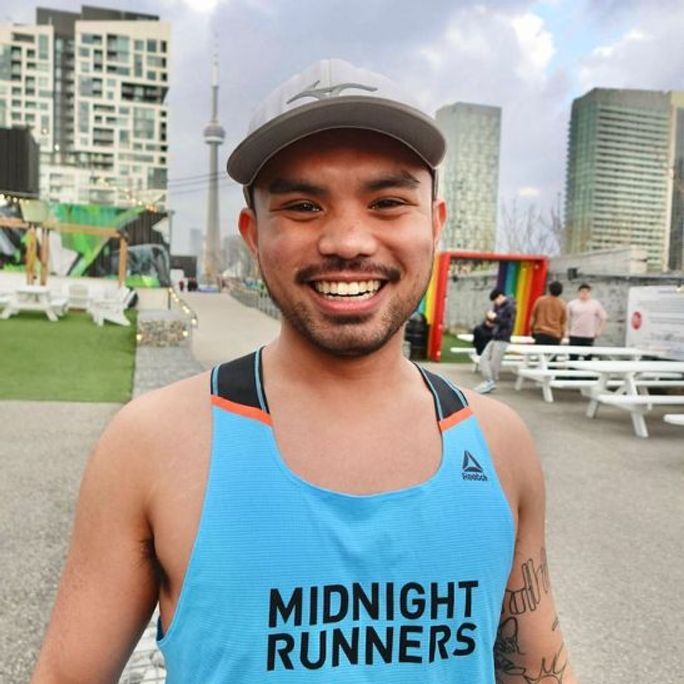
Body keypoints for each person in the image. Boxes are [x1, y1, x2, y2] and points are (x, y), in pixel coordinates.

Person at [32, 59, 577, 683]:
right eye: (302, 205)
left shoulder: (499, 445)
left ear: (434, 223)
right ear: (253, 233)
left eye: (388, 201)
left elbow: (540, 670)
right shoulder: (154, 444)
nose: (348, 240)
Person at [474, 288, 516, 394]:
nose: (495, 303)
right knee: (483, 358)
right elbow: (499, 321)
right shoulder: (501, 307)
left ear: (500, 296)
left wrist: (495, 317)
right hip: (495, 337)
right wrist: (491, 319)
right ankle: (489, 382)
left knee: (494, 364)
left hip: (503, 338)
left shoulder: (510, 307)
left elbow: (508, 324)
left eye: (495, 300)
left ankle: (489, 383)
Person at [566, 283, 608, 359]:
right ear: (578, 292)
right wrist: (567, 330)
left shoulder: (595, 304)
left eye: (586, 292)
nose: (584, 294)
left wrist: (599, 331)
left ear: (589, 293)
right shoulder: (572, 304)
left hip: (589, 336)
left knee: (588, 358)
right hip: (575, 335)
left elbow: (604, 318)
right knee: (573, 358)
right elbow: (566, 318)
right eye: (582, 292)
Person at [530, 281, 566, 345]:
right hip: (555, 334)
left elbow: (533, 317)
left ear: (549, 289)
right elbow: (563, 322)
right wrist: (562, 335)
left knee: (538, 354)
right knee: (552, 354)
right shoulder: (562, 304)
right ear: (561, 291)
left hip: (540, 333)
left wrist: (531, 330)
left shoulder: (540, 300)